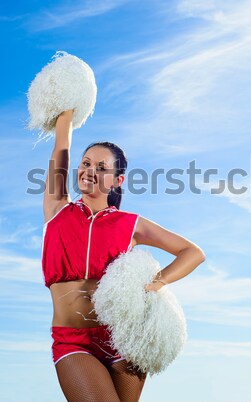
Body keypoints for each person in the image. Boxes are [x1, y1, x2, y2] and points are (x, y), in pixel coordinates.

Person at [42, 109, 206, 402]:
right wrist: (67, 107)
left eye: (101, 167)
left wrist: (157, 283)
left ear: (117, 180)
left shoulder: (131, 223)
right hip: (72, 340)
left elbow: (192, 253)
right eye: (86, 163)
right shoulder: (58, 210)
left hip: (124, 340)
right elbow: (61, 148)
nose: (89, 170)